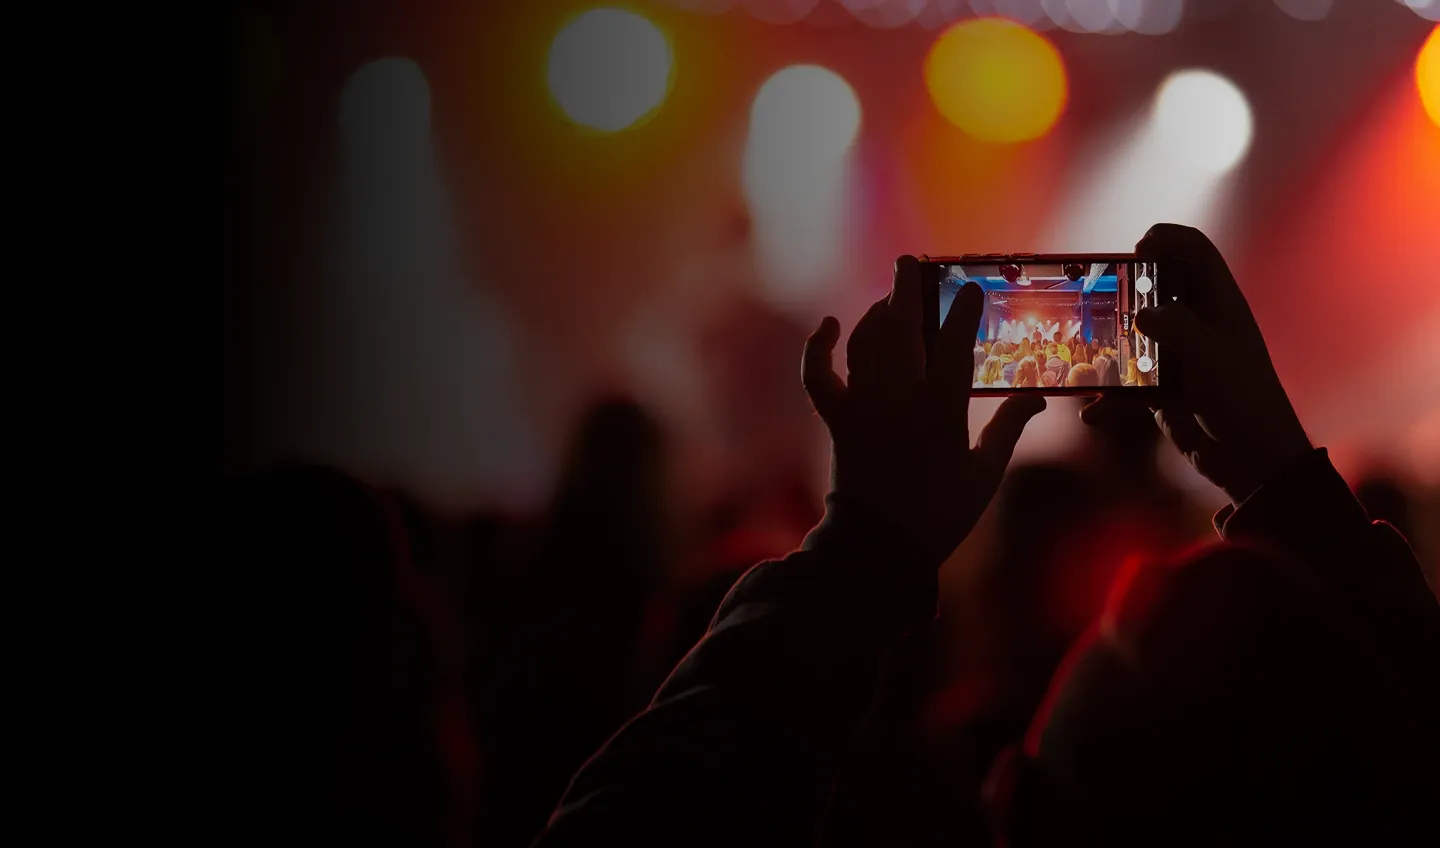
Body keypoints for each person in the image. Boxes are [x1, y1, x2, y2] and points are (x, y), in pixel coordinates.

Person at [535, 229, 1440, 847]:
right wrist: (1286, 484)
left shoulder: (927, 781)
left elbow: (649, 821)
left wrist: (861, 554)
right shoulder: (1382, 785)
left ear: (1011, 801)